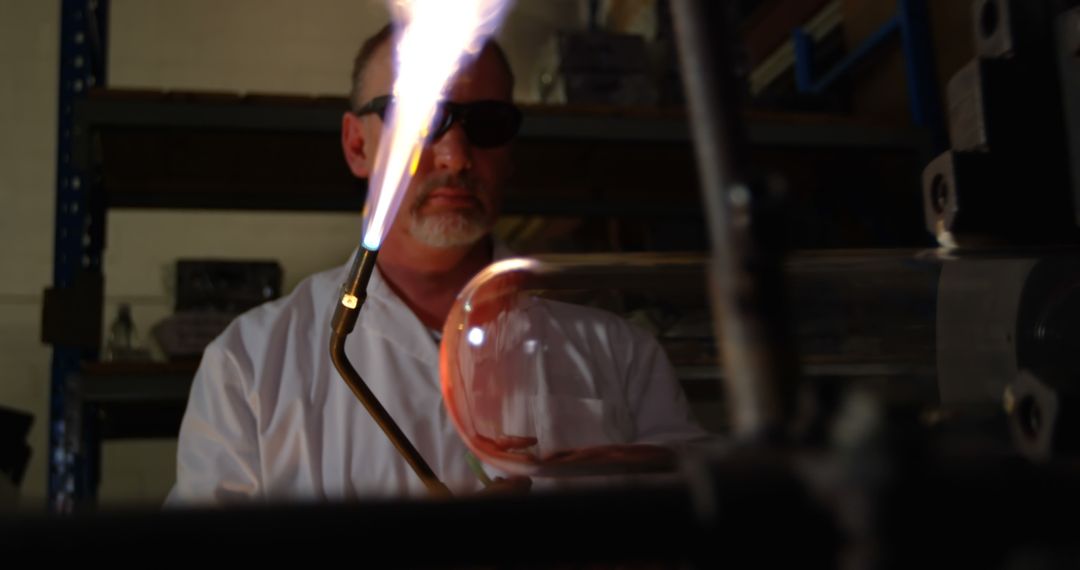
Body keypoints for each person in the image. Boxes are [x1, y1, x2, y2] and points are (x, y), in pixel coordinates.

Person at [167, 23, 705, 504]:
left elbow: (705, 531)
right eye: (422, 117)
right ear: (357, 145)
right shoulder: (251, 365)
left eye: (488, 123)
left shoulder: (619, 355)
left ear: (510, 150)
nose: (456, 156)